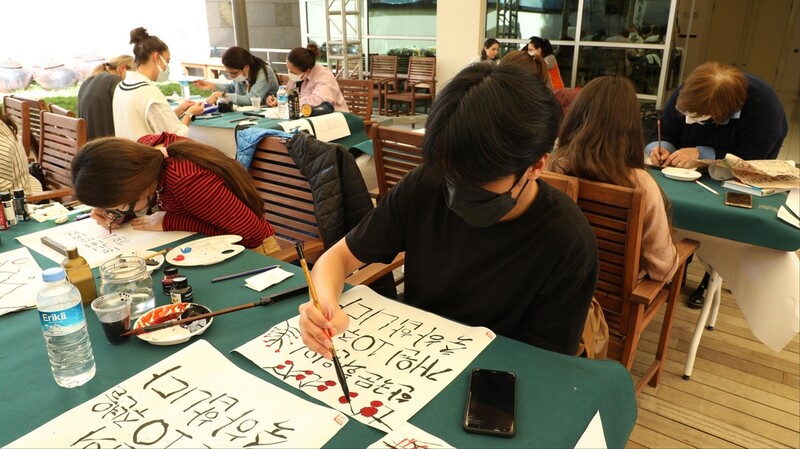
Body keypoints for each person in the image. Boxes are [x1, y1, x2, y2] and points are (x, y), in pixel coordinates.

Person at [298, 63, 599, 359]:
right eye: (451, 175)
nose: (457, 191)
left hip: (491, 377)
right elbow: (339, 257)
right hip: (411, 354)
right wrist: (323, 306)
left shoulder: (567, 242)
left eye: (479, 181)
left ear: (535, 165)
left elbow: (546, 364)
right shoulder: (426, 184)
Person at [646, 61, 788, 308]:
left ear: (721, 114)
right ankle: (678, 266)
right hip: (683, 169)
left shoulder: (765, 111)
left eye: (699, 118)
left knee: (723, 219)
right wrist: (661, 149)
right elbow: (666, 131)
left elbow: (749, 161)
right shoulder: (690, 92)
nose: (691, 121)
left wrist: (701, 153)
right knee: (676, 215)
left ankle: (711, 275)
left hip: (739, 167)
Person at [548, 76, 679, 282]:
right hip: (612, 297)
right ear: (631, 126)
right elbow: (661, 269)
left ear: (576, 116)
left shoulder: (554, 166)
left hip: (557, 285)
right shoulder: (642, 184)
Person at [70, 135, 280, 254]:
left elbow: (250, 234)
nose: (116, 210)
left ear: (138, 187)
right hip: (209, 248)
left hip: (256, 255)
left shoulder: (187, 181)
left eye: (121, 205)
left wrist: (171, 221)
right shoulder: (145, 156)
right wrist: (118, 213)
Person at [113, 27, 205, 141]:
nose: (166, 66)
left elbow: (151, 121)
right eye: (167, 60)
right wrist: (189, 114)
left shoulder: (121, 87)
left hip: (127, 154)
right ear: (156, 57)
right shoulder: (148, 93)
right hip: (148, 156)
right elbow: (175, 138)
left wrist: (177, 111)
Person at [266, 43, 348, 112]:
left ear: (307, 71)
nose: (290, 74)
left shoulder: (323, 76)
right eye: (289, 69)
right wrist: (279, 100)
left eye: (293, 72)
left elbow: (318, 102)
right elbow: (289, 95)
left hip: (334, 120)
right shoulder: (297, 76)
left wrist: (289, 101)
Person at [195, 46, 279, 107]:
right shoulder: (242, 72)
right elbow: (232, 88)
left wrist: (221, 95)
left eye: (233, 73)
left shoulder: (264, 72)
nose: (232, 77)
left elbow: (251, 99)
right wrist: (212, 86)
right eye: (229, 73)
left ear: (246, 67)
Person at [77, 55, 133, 140]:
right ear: (122, 68)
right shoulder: (115, 81)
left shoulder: (89, 80)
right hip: (107, 146)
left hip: (90, 145)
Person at [0, 112, 42, 195]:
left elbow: (3, 187)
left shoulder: (2, 142)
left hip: (18, 202)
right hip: (26, 189)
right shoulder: (3, 126)